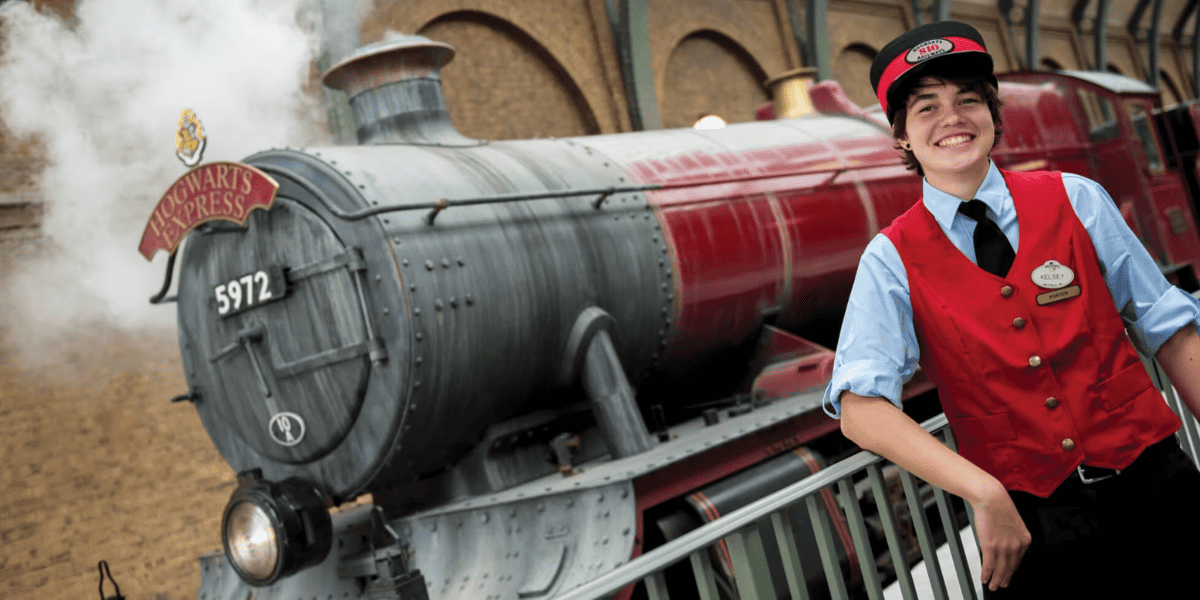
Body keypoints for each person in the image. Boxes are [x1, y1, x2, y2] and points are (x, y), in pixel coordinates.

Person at [823, 20, 1200, 597]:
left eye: (968, 100)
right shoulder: (889, 260)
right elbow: (861, 409)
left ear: (994, 116)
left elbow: (1169, 328)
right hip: (1035, 525)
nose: (951, 118)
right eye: (926, 107)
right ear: (901, 137)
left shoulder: (1076, 199)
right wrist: (983, 491)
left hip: (1157, 486)